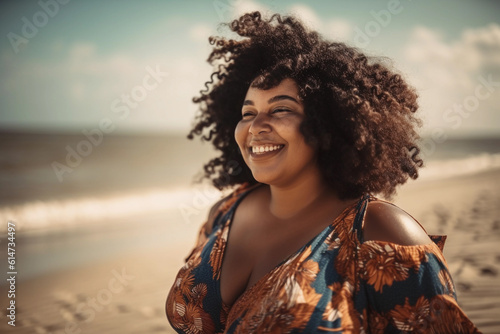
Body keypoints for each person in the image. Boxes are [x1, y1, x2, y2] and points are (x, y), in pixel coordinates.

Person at [166, 11, 480, 333]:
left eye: (281, 109)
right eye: (248, 112)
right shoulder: (224, 213)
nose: (256, 127)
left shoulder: (381, 232)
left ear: (328, 123)